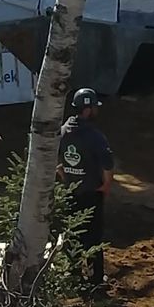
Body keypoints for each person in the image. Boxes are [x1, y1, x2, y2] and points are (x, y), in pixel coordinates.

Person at [59, 86, 114, 289]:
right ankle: (96, 279)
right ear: (88, 109)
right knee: (93, 237)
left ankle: (73, 276)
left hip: (70, 193)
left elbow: (56, 161)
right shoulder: (94, 136)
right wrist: (106, 185)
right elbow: (108, 164)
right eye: (95, 107)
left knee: (72, 234)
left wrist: (66, 178)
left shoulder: (63, 130)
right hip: (92, 193)